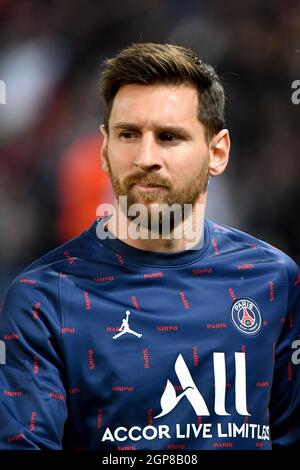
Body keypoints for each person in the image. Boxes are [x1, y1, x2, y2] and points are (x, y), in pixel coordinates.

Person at [0, 42, 299, 451]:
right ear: (104, 150)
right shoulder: (43, 301)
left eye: (169, 137)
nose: (145, 157)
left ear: (217, 151)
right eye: (128, 135)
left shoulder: (274, 282)